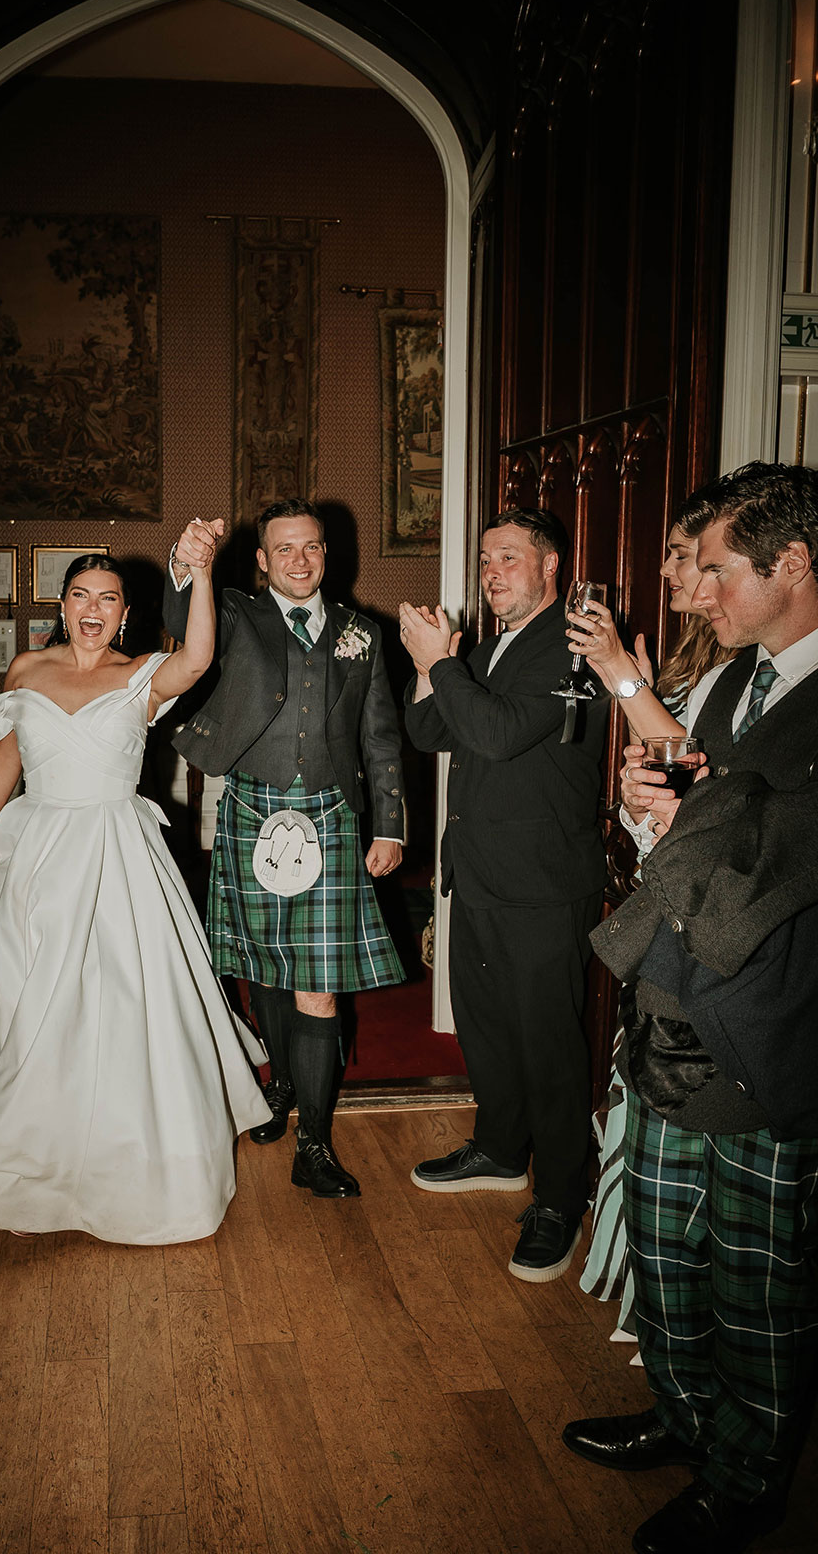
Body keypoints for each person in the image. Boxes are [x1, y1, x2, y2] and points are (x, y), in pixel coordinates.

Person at [563, 461, 818, 1554]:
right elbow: (684, 811)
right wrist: (647, 806)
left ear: (792, 564)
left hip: (769, 1033)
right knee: (665, 1250)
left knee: (757, 1282)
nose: (698, 592)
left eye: (718, 571)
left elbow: (774, 862)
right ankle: (683, 1416)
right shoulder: (724, 685)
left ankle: (747, 1479)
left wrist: (686, 824)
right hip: (670, 1008)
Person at [0, 528, 271, 1244]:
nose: (92, 608)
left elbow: (198, 657)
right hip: (35, 852)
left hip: (115, 853)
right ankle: (31, 1152)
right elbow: (8, 754)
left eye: (108, 599)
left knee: (119, 1000)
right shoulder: (26, 669)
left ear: (125, 613)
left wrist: (202, 573)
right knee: (34, 1000)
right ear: (62, 605)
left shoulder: (141, 675)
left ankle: (125, 1160)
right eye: (80, 595)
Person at [161, 499, 405, 1203]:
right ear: (263, 560)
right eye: (285, 549)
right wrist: (187, 566)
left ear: (327, 553)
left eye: (312, 547)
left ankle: (315, 1144)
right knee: (263, 970)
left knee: (318, 985)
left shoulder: (362, 632)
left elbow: (380, 735)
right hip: (251, 808)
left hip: (332, 815)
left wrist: (389, 825)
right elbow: (180, 622)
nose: (300, 560)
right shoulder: (235, 613)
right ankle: (282, 1085)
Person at [401, 507, 606, 1281]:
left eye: (509, 558)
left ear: (550, 566)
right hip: (480, 871)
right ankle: (498, 1149)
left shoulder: (576, 647)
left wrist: (444, 664)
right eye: (486, 560)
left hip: (544, 881)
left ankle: (560, 1197)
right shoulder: (489, 650)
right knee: (487, 1030)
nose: (491, 573)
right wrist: (429, 666)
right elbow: (430, 733)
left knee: (548, 1047)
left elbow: (495, 733)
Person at [565, 517, 728, 1343]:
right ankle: (662, 1342)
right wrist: (638, 806)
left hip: (715, 929)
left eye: (684, 556)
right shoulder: (699, 663)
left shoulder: (746, 675)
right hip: (664, 901)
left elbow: (717, 793)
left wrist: (622, 678)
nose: (667, 571)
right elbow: (673, 787)